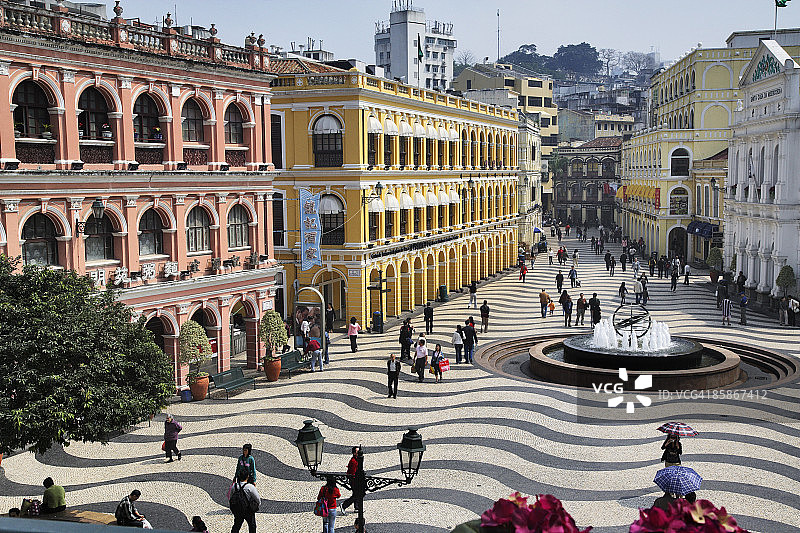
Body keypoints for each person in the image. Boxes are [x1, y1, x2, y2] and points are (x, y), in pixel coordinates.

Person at [340, 448, 360, 513]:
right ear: (354, 453)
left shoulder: (357, 459)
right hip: (354, 480)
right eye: (358, 451)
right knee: (356, 494)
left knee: (356, 493)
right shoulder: (353, 461)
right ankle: (344, 505)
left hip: (355, 480)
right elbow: (353, 473)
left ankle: (357, 507)